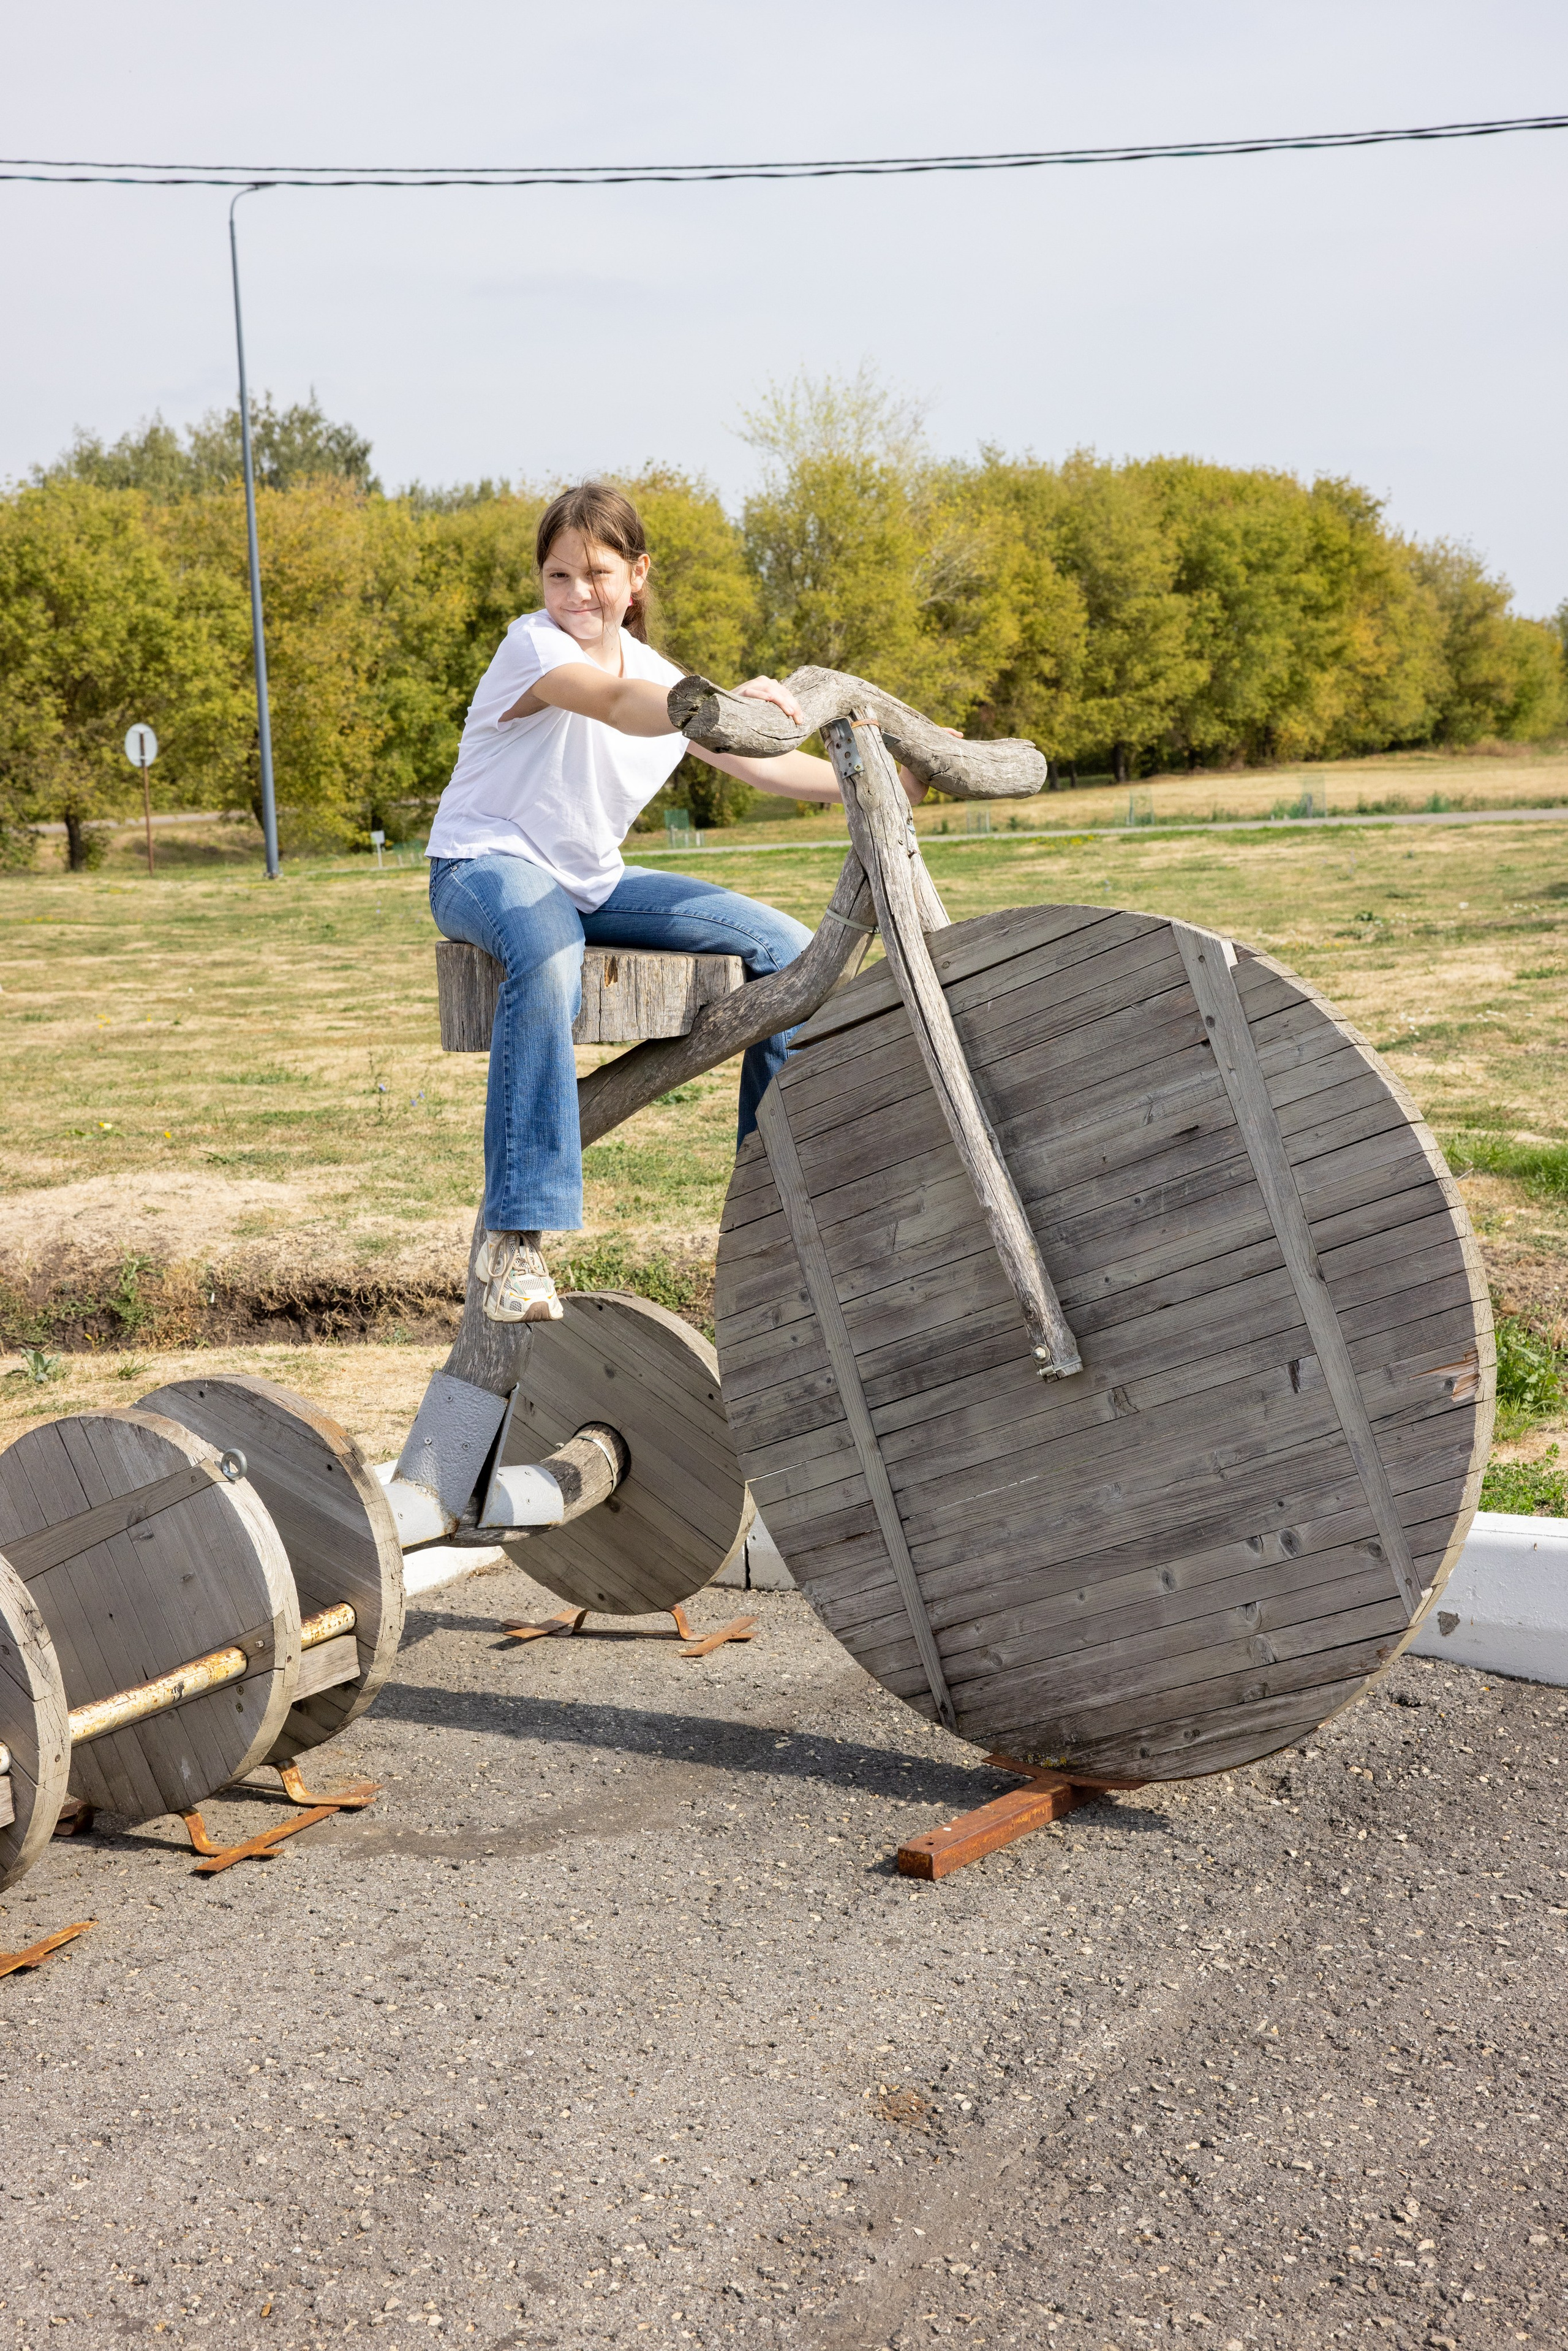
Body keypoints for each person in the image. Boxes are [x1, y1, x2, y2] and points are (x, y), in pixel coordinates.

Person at [426, 481, 925, 1324]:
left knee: (791, 951)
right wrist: (710, 705)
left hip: (591, 881)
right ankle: (516, 1240)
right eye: (558, 576)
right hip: (487, 865)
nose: (577, 594)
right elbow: (615, 704)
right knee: (547, 954)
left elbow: (765, 768)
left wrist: (885, 781)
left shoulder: (660, 676)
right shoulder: (535, 648)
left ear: (637, 575)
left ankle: (770, 1206)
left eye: (596, 573)